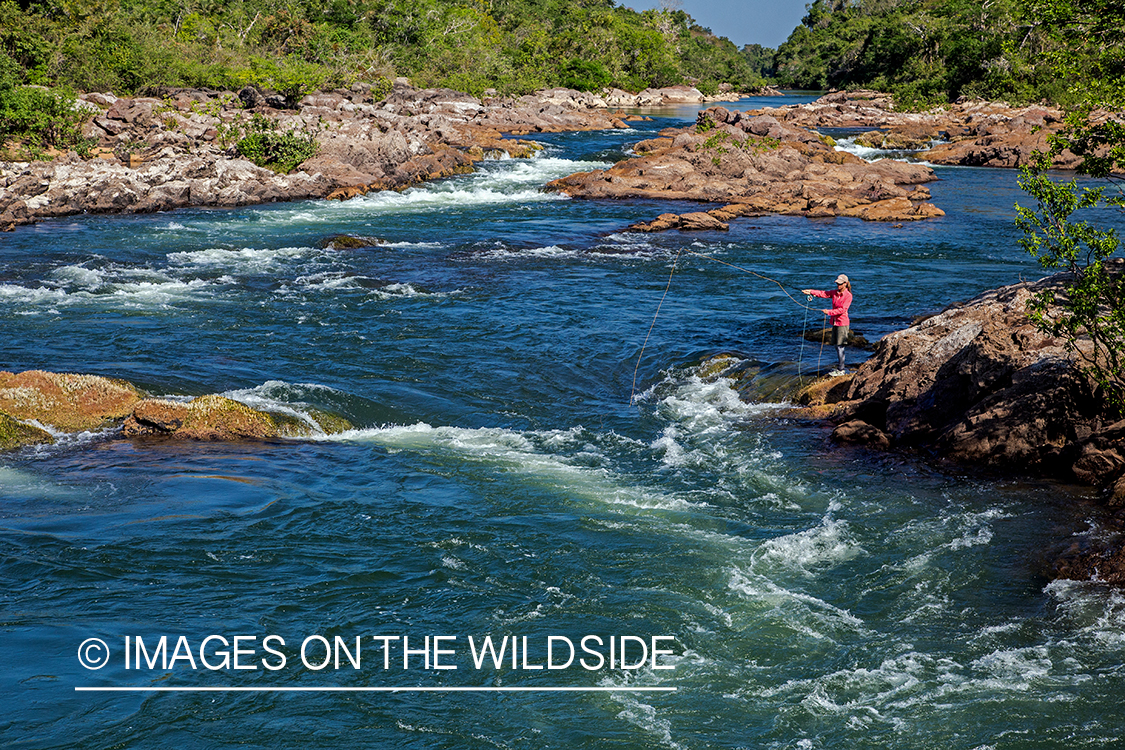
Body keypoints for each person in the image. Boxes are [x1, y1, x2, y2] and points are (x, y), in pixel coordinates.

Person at [802, 274, 852, 375]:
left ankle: (841, 369)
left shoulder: (848, 296)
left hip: (842, 323)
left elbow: (843, 310)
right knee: (836, 345)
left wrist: (829, 312)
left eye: (839, 283)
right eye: (837, 283)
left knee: (840, 346)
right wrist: (811, 291)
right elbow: (824, 293)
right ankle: (840, 367)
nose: (837, 285)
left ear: (845, 284)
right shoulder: (835, 293)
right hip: (835, 322)